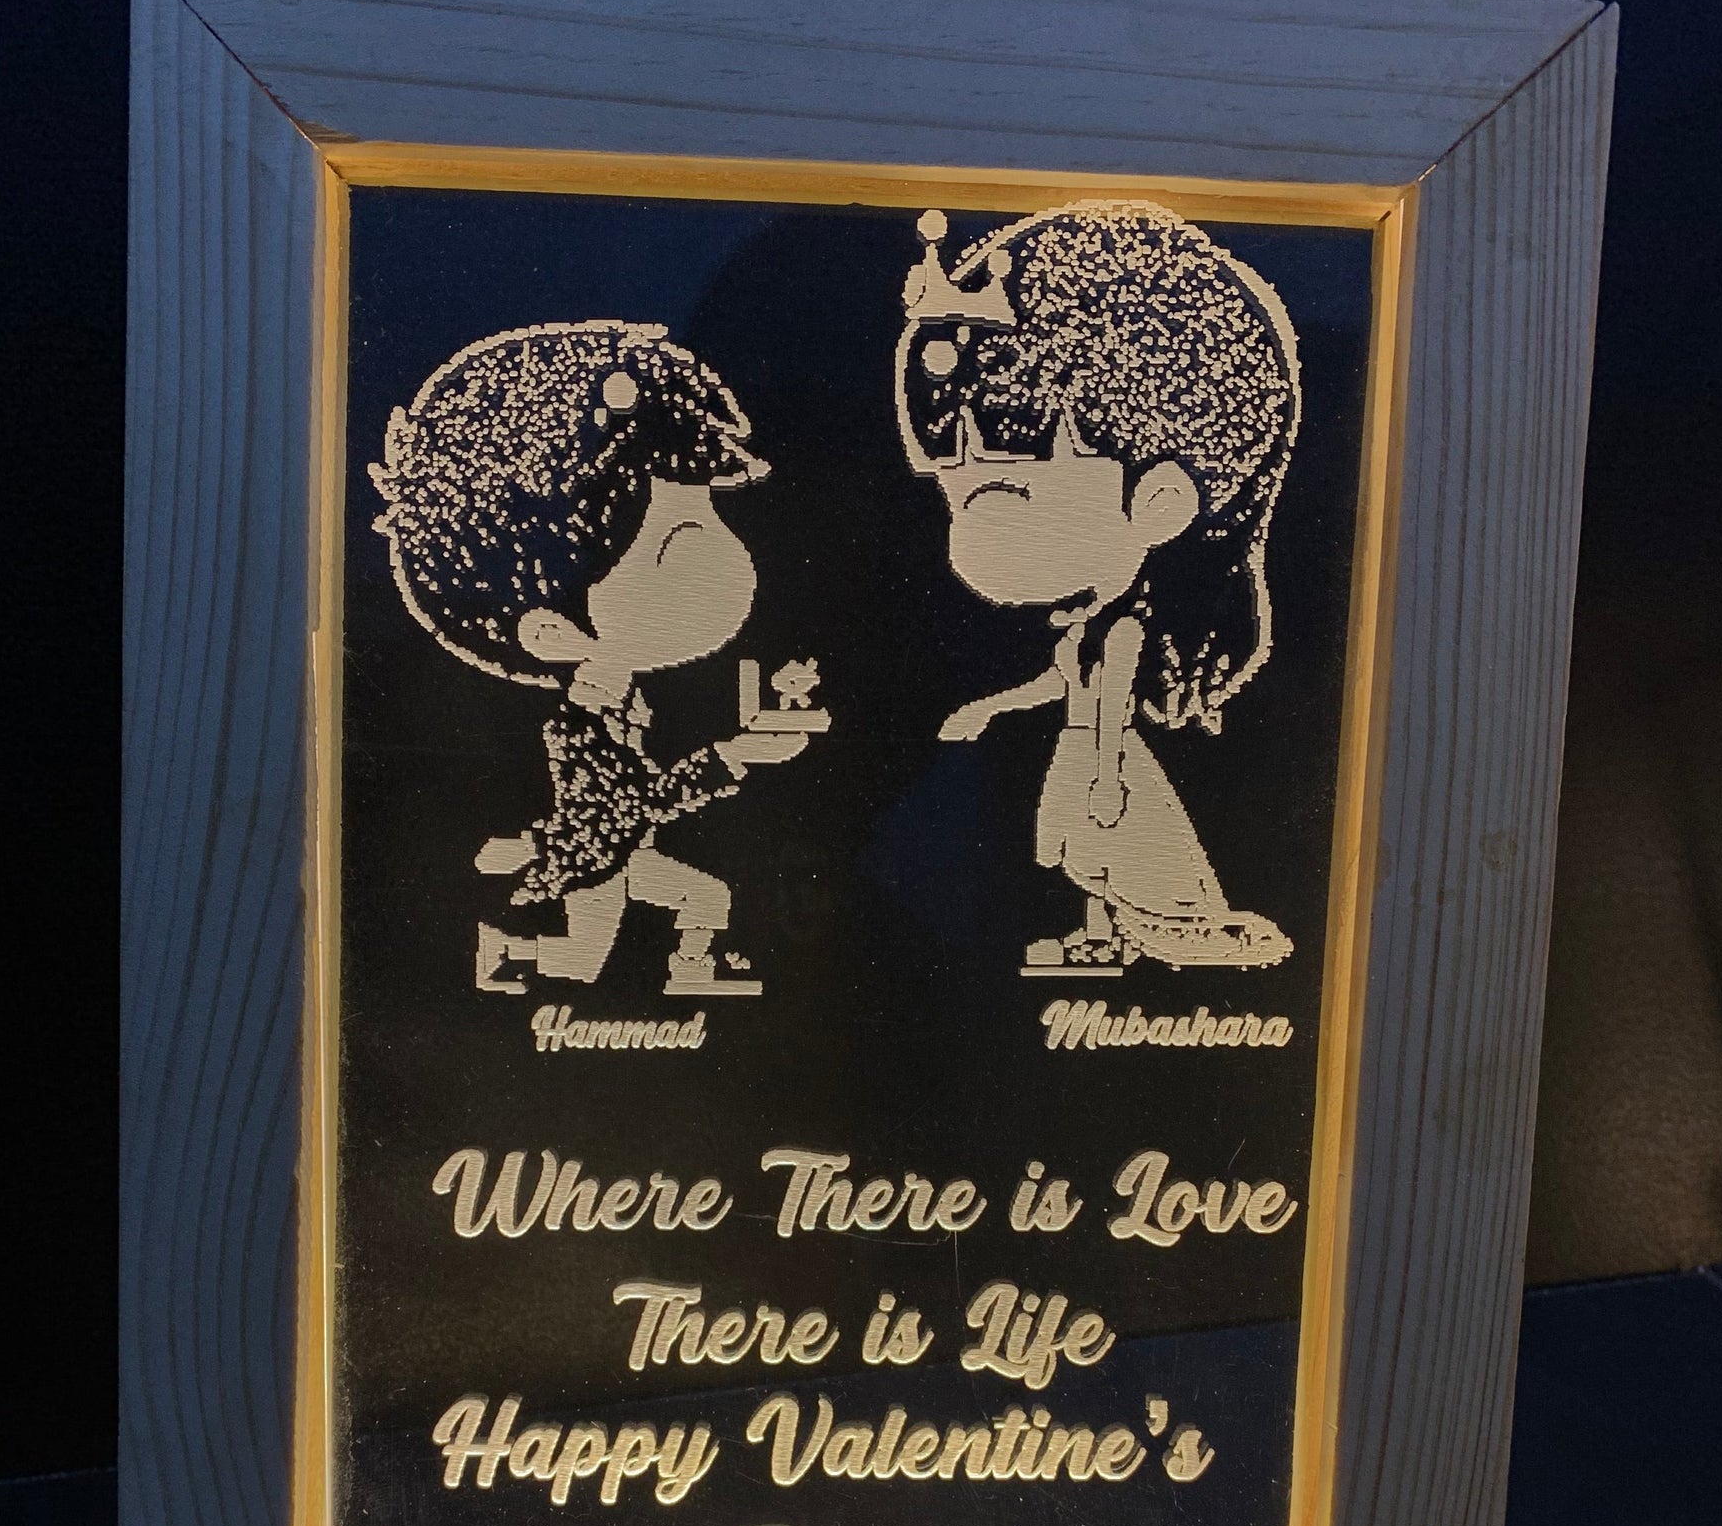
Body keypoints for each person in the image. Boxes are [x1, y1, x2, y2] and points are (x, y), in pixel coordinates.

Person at [896, 203, 1299, 971]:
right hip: (1080, 753)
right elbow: (1058, 683)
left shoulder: (1124, 630)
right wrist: (989, 708)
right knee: (1088, 858)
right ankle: (1103, 933)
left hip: (1101, 758)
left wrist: (1109, 777)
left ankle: (1175, 930)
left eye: (1003, 495)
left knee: (1120, 848)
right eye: (959, 495)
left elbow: (1108, 702)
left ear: (1160, 504)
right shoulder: (1086, 623)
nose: (964, 540)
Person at [370, 320, 806, 995]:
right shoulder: (580, 729)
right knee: (584, 962)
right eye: (677, 546)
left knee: (701, 901)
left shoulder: (621, 705)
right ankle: (505, 955)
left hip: (618, 852)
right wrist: (734, 756)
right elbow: (637, 801)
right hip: (599, 860)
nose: (728, 568)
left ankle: (688, 969)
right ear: (550, 632)